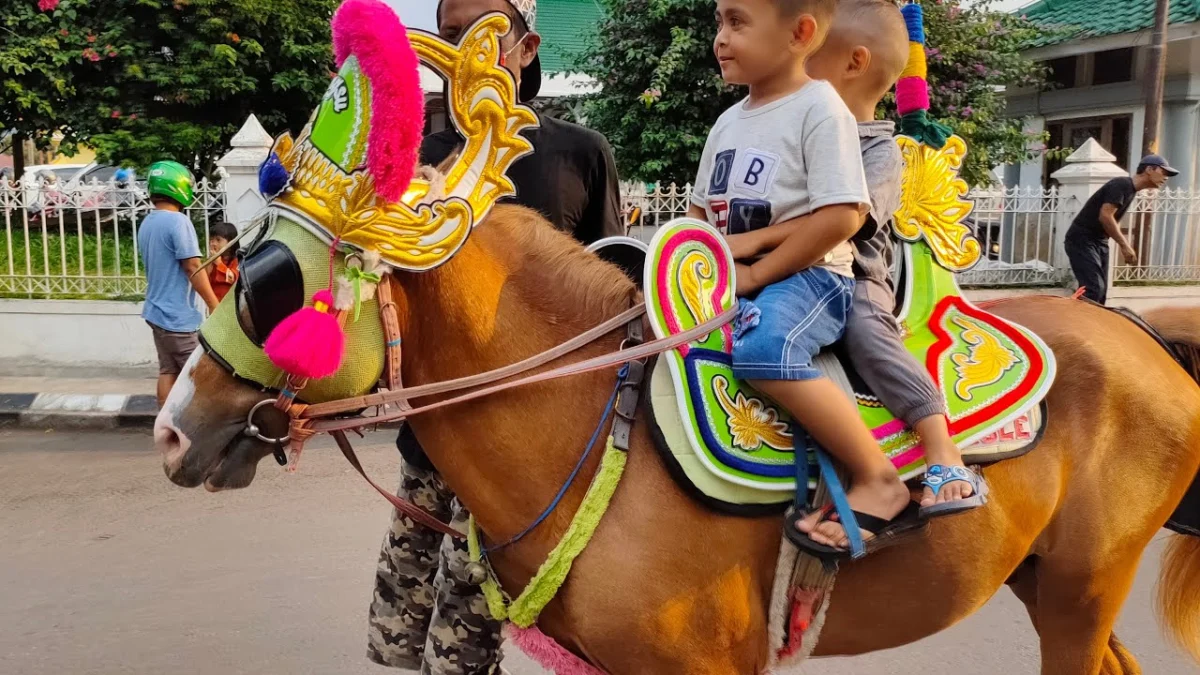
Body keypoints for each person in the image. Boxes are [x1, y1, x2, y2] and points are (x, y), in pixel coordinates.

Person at [368, 1, 623, 672]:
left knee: (466, 630)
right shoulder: (413, 157)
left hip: (527, 450)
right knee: (401, 625)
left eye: (482, 33)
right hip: (430, 435)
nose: (463, 49)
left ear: (527, 46)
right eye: (450, 35)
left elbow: (610, 289)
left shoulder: (579, 153)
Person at [685, 0, 910, 555]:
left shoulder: (819, 108)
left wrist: (757, 270)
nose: (721, 37)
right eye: (719, 22)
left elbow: (841, 217)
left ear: (800, 33)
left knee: (763, 350)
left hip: (810, 281)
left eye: (737, 22)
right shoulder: (727, 120)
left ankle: (877, 477)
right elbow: (699, 212)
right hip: (734, 275)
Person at [803, 0, 988, 517]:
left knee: (864, 327)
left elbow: (851, 221)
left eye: (811, 54)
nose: (798, 66)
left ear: (854, 63)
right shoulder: (801, 134)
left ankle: (939, 443)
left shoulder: (880, 153)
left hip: (852, 273)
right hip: (792, 267)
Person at [137, 161, 219, 406]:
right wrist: (213, 303)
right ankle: (199, 430)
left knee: (168, 370)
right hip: (177, 317)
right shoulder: (178, 222)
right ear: (178, 187)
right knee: (199, 377)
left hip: (156, 311)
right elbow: (192, 266)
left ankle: (164, 424)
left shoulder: (148, 222)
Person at [1065, 155, 1177, 305]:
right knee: (1093, 288)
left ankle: (1092, 324)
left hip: (1099, 240)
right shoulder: (1121, 184)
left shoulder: (1131, 190)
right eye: (1164, 172)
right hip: (1082, 238)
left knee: (1101, 292)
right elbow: (1105, 216)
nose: (1166, 178)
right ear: (1149, 169)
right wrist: (1125, 245)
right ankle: (1076, 324)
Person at [206, 222, 240, 303]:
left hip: (230, 304)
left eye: (218, 240)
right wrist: (210, 263)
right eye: (211, 240)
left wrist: (219, 264)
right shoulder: (211, 261)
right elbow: (205, 281)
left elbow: (232, 279)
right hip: (215, 304)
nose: (213, 243)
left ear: (231, 242)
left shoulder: (237, 260)